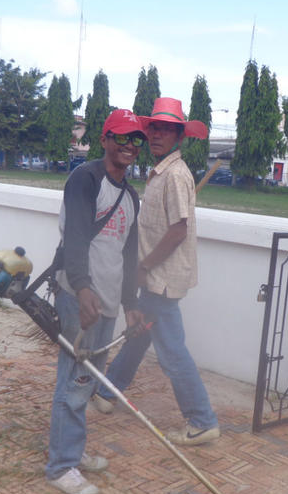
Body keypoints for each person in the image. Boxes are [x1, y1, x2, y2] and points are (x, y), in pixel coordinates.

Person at [91, 97, 220, 446]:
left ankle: (202, 419)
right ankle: (108, 391)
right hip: (153, 278)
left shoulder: (176, 175)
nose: (159, 134)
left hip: (161, 280)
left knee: (172, 352)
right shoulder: (162, 173)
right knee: (138, 334)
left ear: (179, 136)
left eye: (168, 129)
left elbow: (178, 230)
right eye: (155, 128)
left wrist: (143, 266)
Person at [46, 109, 146, 494]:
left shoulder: (130, 195)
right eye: (120, 138)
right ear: (104, 140)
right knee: (73, 380)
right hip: (78, 296)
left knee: (88, 382)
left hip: (105, 298)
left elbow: (128, 252)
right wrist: (83, 288)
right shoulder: (85, 179)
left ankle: (70, 449)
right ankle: (60, 466)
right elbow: (75, 239)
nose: (128, 146)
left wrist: (129, 302)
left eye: (135, 140)